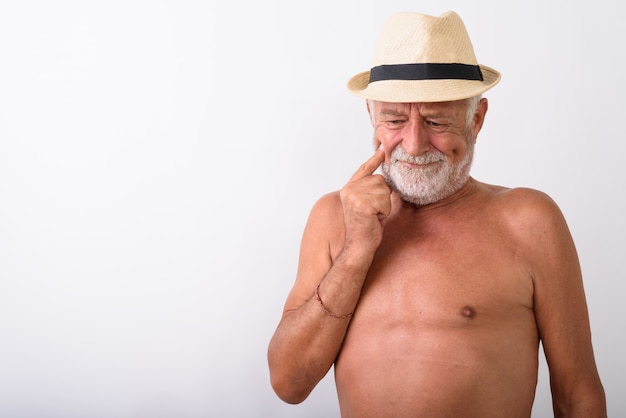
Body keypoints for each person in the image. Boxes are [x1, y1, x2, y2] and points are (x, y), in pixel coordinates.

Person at [267, 10, 606, 418]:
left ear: (476, 120)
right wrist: (356, 252)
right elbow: (288, 383)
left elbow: (577, 396)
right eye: (394, 119)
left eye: (436, 121)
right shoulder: (332, 217)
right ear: (371, 117)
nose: (412, 144)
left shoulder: (529, 222)